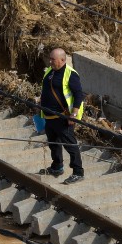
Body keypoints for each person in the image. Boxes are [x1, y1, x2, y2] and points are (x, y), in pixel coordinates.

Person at [38, 48, 85, 184]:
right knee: (54, 143)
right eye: (50, 58)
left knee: (70, 145)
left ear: (62, 60)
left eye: (53, 59)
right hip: (49, 116)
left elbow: (79, 95)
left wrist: (74, 114)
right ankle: (57, 166)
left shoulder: (70, 74)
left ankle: (78, 172)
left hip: (63, 118)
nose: (50, 61)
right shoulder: (50, 71)